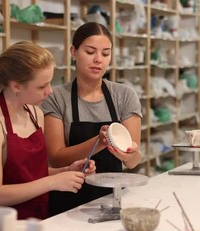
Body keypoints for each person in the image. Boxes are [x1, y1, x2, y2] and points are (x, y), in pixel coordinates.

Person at [0, 41, 96, 220]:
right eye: (41, 86)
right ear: (16, 86)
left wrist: (65, 171)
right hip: (9, 226)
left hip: (40, 219)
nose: (50, 91)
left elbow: (32, 175)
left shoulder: (35, 113)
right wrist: (52, 182)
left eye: (49, 83)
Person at [41, 22, 143, 216]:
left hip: (113, 197)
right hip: (69, 200)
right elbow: (56, 158)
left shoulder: (124, 95)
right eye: (90, 52)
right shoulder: (56, 97)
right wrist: (98, 141)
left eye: (106, 53)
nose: (98, 60)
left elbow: (133, 161)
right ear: (73, 52)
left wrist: (130, 154)